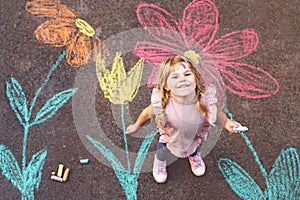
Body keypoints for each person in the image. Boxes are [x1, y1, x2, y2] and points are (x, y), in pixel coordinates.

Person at [126, 55, 241, 183]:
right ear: (166, 86)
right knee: (162, 151)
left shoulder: (203, 101)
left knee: (192, 148)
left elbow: (217, 114)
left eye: (187, 74)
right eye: (175, 77)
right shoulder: (163, 103)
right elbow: (146, 113)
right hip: (170, 137)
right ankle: (160, 161)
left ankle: (194, 157)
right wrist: (136, 125)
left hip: (192, 137)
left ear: (196, 79)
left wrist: (227, 123)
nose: (182, 80)